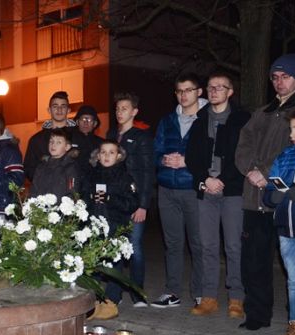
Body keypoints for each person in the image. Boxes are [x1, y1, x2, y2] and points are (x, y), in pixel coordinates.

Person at [235, 53, 295, 330]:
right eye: (275, 77)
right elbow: (243, 144)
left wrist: (265, 173)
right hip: (255, 198)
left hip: (288, 201)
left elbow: (294, 150)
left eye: (285, 76)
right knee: (253, 260)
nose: (279, 82)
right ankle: (257, 315)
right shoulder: (263, 111)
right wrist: (251, 170)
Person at [186, 71, 250, 318]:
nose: (213, 91)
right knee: (207, 246)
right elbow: (192, 156)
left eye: (219, 87)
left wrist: (222, 180)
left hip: (232, 191)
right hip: (206, 191)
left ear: (230, 92)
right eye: (210, 87)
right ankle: (209, 297)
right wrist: (205, 179)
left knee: (234, 246)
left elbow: (244, 156)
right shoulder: (200, 118)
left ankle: (236, 297)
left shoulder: (242, 119)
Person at [151, 73, 206, 308]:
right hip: (167, 190)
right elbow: (154, 152)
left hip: (193, 189)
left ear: (199, 92)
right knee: (172, 243)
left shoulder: (207, 118)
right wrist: (163, 160)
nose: (183, 95)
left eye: (188, 90)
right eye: (179, 91)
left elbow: (212, 155)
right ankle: (172, 291)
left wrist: (187, 162)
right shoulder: (167, 120)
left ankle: (201, 294)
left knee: (198, 243)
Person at [263, 105, 295, 335]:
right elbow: (270, 190)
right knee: (294, 281)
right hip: (285, 228)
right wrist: (274, 197)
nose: (291, 134)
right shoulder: (285, 156)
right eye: (290, 128)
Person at [81, 140, 139, 320]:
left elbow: (131, 203)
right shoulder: (90, 175)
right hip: (94, 226)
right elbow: (82, 198)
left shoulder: (124, 177)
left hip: (115, 226)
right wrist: (89, 199)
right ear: (97, 155)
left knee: (114, 264)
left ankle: (111, 301)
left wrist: (110, 198)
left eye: (111, 152)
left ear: (119, 156)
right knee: (93, 264)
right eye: (103, 152)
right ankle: (94, 301)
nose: (106, 156)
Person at [106, 92, 154, 307]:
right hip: (114, 200)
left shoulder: (142, 137)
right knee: (114, 246)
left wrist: (143, 204)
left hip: (134, 201)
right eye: (117, 108)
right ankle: (113, 295)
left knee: (134, 246)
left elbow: (146, 172)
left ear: (134, 111)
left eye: (124, 108)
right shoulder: (110, 134)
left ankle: (137, 293)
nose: (119, 112)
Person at [24, 91, 76, 180]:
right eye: (55, 106)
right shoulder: (36, 140)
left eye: (63, 106)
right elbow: (29, 169)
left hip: (74, 192)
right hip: (44, 192)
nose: (59, 110)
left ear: (68, 110)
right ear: (49, 110)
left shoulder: (78, 137)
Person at [30, 128, 83, 198]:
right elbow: (34, 190)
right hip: (40, 207)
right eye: (51, 141)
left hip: (61, 207)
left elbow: (72, 192)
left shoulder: (71, 167)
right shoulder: (41, 166)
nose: (53, 145)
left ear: (67, 147)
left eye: (58, 142)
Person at [71, 104, 102, 173]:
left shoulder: (101, 143)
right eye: (83, 119)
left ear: (95, 123)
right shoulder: (68, 140)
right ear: (77, 122)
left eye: (89, 120)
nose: (86, 123)